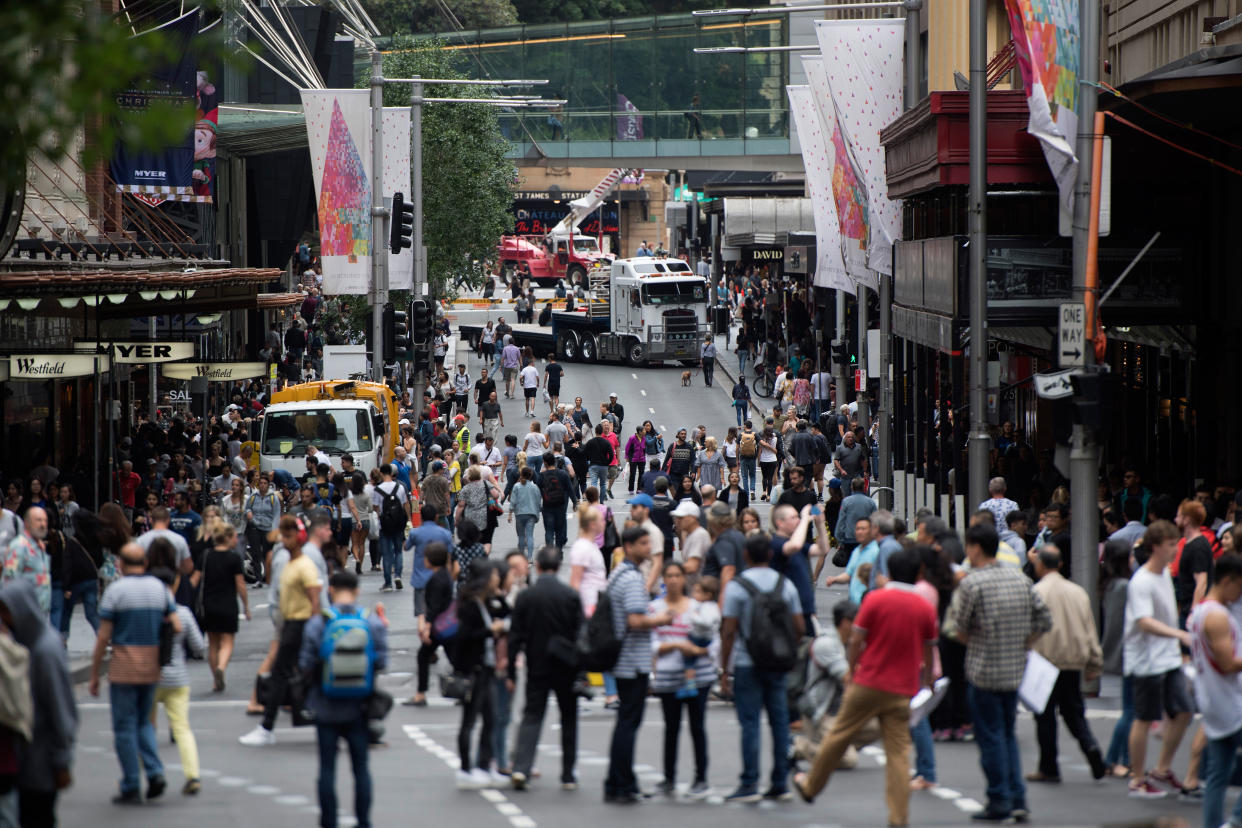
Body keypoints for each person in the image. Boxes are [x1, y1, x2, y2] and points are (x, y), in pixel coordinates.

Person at [792, 547, 937, 826]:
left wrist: (850, 669)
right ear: (919, 573)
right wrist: (927, 681)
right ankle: (898, 818)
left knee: (838, 735)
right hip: (902, 689)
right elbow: (929, 650)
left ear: (890, 573)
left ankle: (812, 785)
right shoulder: (924, 607)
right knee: (898, 754)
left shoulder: (876, 600)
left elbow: (857, 638)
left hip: (868, 682)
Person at [949, 524, 1052, 822]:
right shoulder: (1020, 579)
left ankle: (999, 799)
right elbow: (1044, 620)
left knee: (991, 738)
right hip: (1014, 669)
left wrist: (978, 641)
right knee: (1007, 734)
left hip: (983, 670)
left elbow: (960, 627)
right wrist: (1023, 641)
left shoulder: (972, 584)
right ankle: (1017, 798)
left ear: (976, 548)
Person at [89, 542, 181, 805]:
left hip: (123, 665)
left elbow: (104, 636)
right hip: (151, 663)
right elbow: (175, 625)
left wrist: (95, 673)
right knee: (143, 722)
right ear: (145, 563)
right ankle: (155, 772)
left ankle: (131, 782)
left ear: (120, 564)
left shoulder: (115, 592)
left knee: (124, 726)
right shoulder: (159, 590)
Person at [299, 570, 388, 828]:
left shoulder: (320, 623)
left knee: (327, 769)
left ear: (331, 590)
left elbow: (305, 663)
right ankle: (364, 821)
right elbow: (381, 661)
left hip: (325, 703)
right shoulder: (370, 621)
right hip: (359, 705)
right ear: (357, 591)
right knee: (361, 769)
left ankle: (329, 822)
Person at [719, 532, 804, 803]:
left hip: (747, 662)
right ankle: (780, 781)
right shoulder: (784, 584)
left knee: (750, 723)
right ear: (769, 555)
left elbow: (728, 632)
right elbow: (799, 626)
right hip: (778, 663)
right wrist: (787, 649)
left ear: (745, 555)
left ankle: (750, 782)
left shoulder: (737, 587)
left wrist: (724, 670)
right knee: (780, 722)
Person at [240, 511, 325, 747]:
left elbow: (315, 602)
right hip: (291, 624)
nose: (282, 541)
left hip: (301, 626)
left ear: (297, 538)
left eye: (287, 537)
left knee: (281, 675)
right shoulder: (289, 562)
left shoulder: (304, 566)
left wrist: (314, 631)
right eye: (282, 536)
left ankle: (267, 727)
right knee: (305, 676)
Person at [1124, 519, 1194, 799]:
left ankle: (1161, 769)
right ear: (1155, 547)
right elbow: (1144, 622)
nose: (1175, 550)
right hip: (1146, 659)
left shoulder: (1164, 573)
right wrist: (1180, 635)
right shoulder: (1140, 581)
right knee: (1143, 717)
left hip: (1167, 657)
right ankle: (1137, 780)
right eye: (1170, 545)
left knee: (1184, 710)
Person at [603, 526, 672, 804]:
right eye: (644, 544)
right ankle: (623, 784)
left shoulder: (620, 573)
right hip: (633, 661)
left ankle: (617, 781)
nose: (649, 548)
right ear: (629, 547)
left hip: (625, 660)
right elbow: (635, 620)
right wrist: (662, 620)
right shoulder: (631, 578)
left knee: (625, 724)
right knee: (628, 725)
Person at [508, 545, 585, 791]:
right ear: (558, 566)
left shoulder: (526, 596)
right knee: (569, 718)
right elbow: (581, 635)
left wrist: (510, 669)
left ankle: (521, 768)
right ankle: (568, 774)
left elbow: (515, 637)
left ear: (538, 566)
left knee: (532, 716)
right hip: (566, 665)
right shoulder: (570, 596)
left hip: (537, 664)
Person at [1027, 546, 1107, 783]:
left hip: (1044, 662)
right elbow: (1089, 629)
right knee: (1074, 712)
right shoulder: (1077, 592)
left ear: (1040, 564)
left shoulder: (1036, 591)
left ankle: (1048, 766)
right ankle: (1090, 745)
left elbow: (1030, 630)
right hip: (1073, 661)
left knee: (1045, 716)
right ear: (1060, 564)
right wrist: (1094, 662)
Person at [0, 579, 76, 824]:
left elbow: (61, 709)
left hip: (41, 763)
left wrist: (61, 759)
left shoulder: (46, 650)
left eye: (6, 610)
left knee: (39, 817)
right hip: (26, 762)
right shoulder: (23, 644)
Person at [650, 562, 715, 799]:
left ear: (685, 579)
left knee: (697, 727)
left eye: (678, 575)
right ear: (664, 579)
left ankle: (701, 778)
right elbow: (652, 643)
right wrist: (677, 645)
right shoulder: (655, 608)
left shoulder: (698, 608)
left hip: (698, 677)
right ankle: (669, 777)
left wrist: (697, 652)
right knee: (671, 728)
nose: (674, 580)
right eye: (670, 576)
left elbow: (712, 640)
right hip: (668, 677)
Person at [1188, 554, 1242, 828]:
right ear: (1229, 580)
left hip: (1213, 700)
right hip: (1229, 702)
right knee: (1218, 773)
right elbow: (1228, 663)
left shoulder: (1200, 612)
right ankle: (1234, 820)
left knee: (1217, 775)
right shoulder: (1217, 616)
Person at [149, 567, 205, 796]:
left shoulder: (148, 612)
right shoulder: (182, 613)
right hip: (178, 678)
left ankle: (153, 773)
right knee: (182, 728)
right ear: (174, 585)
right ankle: (193, 775)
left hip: (150, 676)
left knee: (147, 727)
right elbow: (199, 646)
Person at [455, 559, 506, 789]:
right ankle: (465, 769)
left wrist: (500, 596)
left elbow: (507, 611)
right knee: (470, 720)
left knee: (491, 718)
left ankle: (485, 765)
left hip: (486, 667)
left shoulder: (485, 602)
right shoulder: (469, 605)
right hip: (473, 669)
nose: (497, 578)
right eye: (494, 575)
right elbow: (466, 636)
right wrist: (489, 631)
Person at [1, 505, 50, 615]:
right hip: (22, 615)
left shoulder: (39, 547)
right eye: (38, 520)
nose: (43, 524)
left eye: (45, 520)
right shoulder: (19, 547)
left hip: (39, 614)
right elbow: (9, 583)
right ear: (27, 524)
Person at [373, 464, 411, 592]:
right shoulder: (399, 487)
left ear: (382, 473)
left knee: (387, 553)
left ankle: (388, 582)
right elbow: (405, 504)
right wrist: (408, 519)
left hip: (384, 524)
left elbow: (376, 508)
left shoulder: (378, 489)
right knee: (398, 551)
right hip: (398, 523)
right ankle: (398, 576)